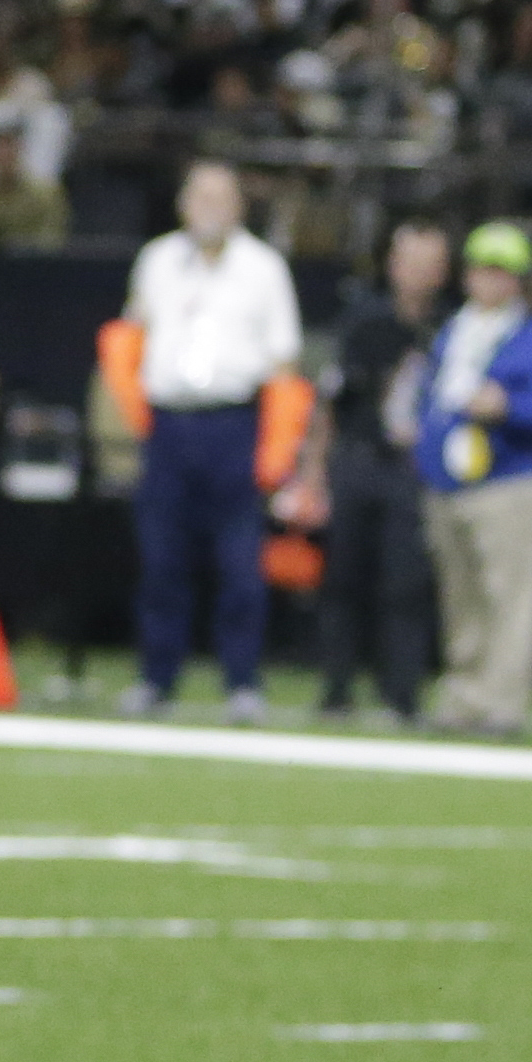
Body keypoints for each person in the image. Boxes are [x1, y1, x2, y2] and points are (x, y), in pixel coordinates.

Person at [117, 160, 300, 719]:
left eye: (222, 198)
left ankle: (242, 681)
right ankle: (157, 678)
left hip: (233, 423)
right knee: (161, 559)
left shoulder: (263, 268)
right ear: (182, 204)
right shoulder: (157, 261)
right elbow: (130, 339)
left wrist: (275, 446)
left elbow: (284, 359)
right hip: (169, 422)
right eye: (200, 197)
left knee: (240, 562)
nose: (210, 209)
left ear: (240, 207)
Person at [413, 222, 532, 739]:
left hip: (507, 480)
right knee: (460, 596)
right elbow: (433, 398)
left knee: (510, 595)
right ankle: (464, 695)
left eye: (503, 273)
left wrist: (507, 406)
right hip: (450, 481)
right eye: (484, 270)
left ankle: (502, 703)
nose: (492, 282)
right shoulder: (453, 331)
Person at [302, 219, 449, 726]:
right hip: (359, 460)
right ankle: (337, 690)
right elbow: (329, 401)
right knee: (342, 580)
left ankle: (401, 696)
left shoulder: (447, 329)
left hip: (411, 471)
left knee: (405, 584)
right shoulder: (364, 320)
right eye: (409, 262)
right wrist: (315, 472)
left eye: (428, 265)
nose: (417, 275)